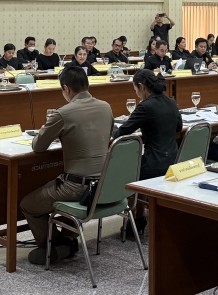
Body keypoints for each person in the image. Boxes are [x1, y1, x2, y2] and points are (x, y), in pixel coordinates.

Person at [19, 66, 113, 265]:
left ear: (66, 89)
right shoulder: (106, 107)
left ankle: (52, 247)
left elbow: (38, 146)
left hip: (77, 187)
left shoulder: (63, 113)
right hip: (104, 185)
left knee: (28, 205)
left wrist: (48, 130)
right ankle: (68, 241)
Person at [114, 69, 182, 180]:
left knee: (120, 169)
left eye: (135, 89)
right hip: (174, 160)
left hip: (153, 165)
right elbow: (179, 127)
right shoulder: (171, 102)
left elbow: (120, 133)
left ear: (141, 87)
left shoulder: (145, 106)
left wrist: (112, 127)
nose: (136, 94)